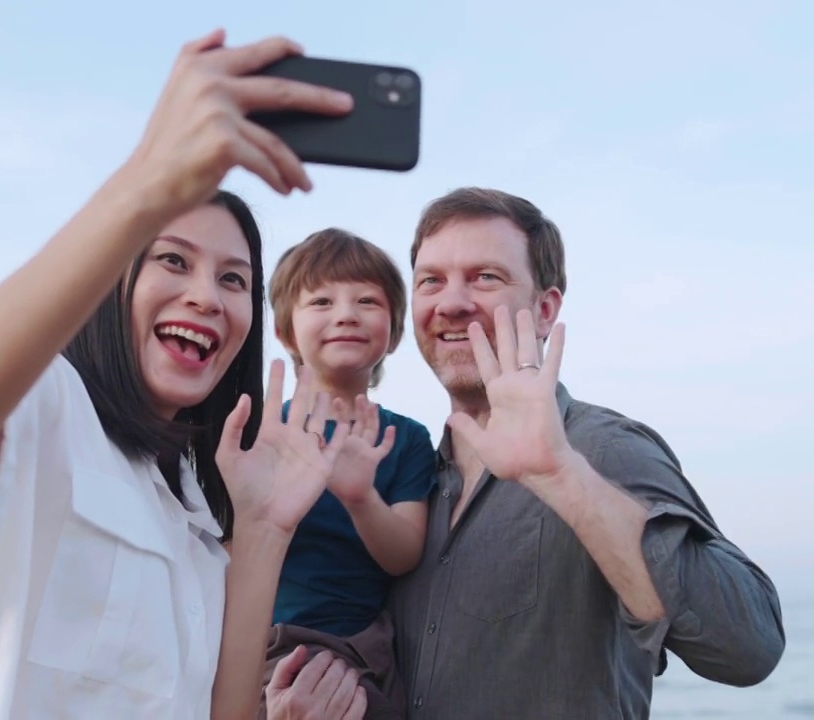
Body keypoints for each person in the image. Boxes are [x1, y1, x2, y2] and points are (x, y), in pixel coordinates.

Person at [0, 30, 372, 720]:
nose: (206, 295)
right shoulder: (48, 406)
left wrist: (263, 527)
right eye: (172, 260)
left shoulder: (195, 511)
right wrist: (149, 180)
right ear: (114, 284)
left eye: (234, 280)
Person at [269, 187, 786, 720]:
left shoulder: (599, 449)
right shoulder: (419, 474)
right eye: (431, 281)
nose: (451, 302)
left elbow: (750, 648)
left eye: (485, 277)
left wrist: (562, 475)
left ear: (544, 310)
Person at [260, 228, 437, 718]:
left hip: (366, 649)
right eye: (321, 301)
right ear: (285, 330)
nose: (345, 314)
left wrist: (361, 497)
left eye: (366, 300)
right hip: (272, 644)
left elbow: (404, 555)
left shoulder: (407, 439)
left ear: (395, 331)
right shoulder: (262, 427)